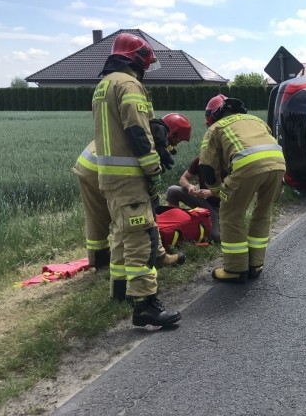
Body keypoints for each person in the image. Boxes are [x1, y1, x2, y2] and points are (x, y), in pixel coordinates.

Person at [91, 32, 181, 327]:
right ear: (137, 59)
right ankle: (145, 305)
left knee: (121, 234)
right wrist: (153, 166)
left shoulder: (104, 85)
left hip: (110, 177)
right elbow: (136, 129)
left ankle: (120, 288)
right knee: (143, 238)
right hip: (130, 177)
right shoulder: (129, 84)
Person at [73, 112, 192, 274]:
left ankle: (98, 259)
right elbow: (148, 197)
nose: (174, 147)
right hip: (107, 170)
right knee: (139, 212)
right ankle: (159, 256)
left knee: (96, 215)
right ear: (172, 134)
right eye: (176, 141)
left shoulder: (141, 127)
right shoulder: (153, 141)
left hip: (86, 166)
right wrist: (152, 195)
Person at [199, 94, 286, 282]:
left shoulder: (216, 128)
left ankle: (235, 269)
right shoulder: (256, 120)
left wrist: (215, 190)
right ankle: (255, 264)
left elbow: (207, 167)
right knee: (263, 212)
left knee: (231, 215)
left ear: (213, 115)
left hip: (247, 166)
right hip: (278, 165)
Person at [165, 155, 221, 243]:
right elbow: (183, 178)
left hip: (221, 207)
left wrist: (212, 192)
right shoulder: (200, 160)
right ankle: (173, 226)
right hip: (203, 202)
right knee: (172, 190)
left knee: (215, 237)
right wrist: (189, 186)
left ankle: (219, 224)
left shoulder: (226, 163)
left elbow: (233, 190)